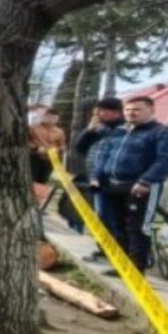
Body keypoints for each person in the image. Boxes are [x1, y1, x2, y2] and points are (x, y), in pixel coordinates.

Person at [91, 95, 168, 273]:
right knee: (118, 227)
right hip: (112, 185)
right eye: (128, 110)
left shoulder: (163, 133)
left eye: (137, 109)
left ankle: (137, 269)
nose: (131, 113)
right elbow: (103, 155)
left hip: (141, 187)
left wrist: (146, 181)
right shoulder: (118, 132)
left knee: (138, 228)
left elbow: (166, 160)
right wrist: (96, 176)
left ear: (151, 110)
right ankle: (123, 267)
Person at [73, 97, 127, 257]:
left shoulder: (125, 129)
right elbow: (79, 147)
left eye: (102, 111)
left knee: (115, 217)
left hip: (115, 178)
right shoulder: (98, 128)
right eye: (98, 111)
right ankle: (104, 248)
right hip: (95, 177)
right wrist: (89, 130)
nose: (98, 114)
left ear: (115, 112)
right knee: (102, 215)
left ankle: (118, 251)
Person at [28, 108, 66, 203]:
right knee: (32, 180)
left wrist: (58, 149)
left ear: (57, 119)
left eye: (54, 118)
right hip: (34, 158)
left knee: (43, 181)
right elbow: (25, 141)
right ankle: (28, 200)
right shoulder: (33, 128)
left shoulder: (60, 132)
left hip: (50, 160)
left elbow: (63, 146)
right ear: (44, 117)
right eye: (48, 117)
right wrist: (36, 148)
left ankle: (37, 203)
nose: (51, 119)